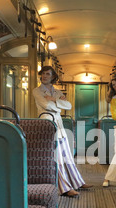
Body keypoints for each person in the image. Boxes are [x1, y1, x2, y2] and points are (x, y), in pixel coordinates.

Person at [33, 66, 92, 197]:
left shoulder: (57, 92)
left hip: (58, 124)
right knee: (57, 156)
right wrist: (59, 105)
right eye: (43, 74)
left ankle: (76, 181)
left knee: (67, 156)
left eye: (48, 74)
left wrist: (54, 100)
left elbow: (69, 106)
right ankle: (64, 187)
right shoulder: (37, 91)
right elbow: (46, 106)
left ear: (53, 76)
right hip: (47, 122)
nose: (44, 76)